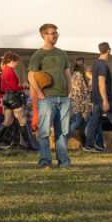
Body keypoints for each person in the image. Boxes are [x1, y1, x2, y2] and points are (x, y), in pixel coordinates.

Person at [27, 23, 73, 169]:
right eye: (53, 33)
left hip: (63, 98)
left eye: (56, 33)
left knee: (63, 132)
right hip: (47, 98)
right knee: (44, 132)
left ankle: (64, 162)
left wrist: (70, 92)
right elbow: (31, 76)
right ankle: (45, 162)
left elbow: (67, 73)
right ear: (44, 35)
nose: (56, 35)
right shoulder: (39, 54)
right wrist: (40, 94)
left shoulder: (62, 53)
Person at [0, 52, 27, 149]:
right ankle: (29, 145)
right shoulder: (10, 71)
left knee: (7, 121)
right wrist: (23, 86)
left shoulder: (3, 72)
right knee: (22, 121)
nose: (17, 64)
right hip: (13, 98)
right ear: (12, 61)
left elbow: (3, 88)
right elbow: (14, 87)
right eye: (16, 62)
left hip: (6, 98)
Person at [68, 57, 93, 145]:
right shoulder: (79, 75)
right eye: (84, 64)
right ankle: (64, 139)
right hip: (80, 102)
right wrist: (89, 88)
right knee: (78, 122)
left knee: (80, 123)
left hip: (76, 102)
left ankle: (86, 143)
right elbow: (81, 89)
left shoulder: (72, 74)